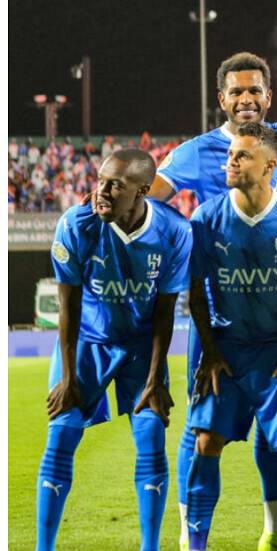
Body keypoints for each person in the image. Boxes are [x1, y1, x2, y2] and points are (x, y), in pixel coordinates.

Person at [148, 51, 277, 551]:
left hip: (274, 314)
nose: (246, 98)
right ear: (222, 99)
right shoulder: (195, 153)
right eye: (236, 91)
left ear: (268, 96)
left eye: (254, 90)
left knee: (276, 431)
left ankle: (276, 528)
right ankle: (190, 533)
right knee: (200, 430)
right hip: (218, 315)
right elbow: (151, 200)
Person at [36, 149, 191, 551]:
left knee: (151, 437)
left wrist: (155, 379)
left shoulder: (174, 230)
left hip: (140, 348)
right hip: (87, 343)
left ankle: (149, 547)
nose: (101, 191)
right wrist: (68, 377)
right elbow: (67, 307)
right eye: (101, 181)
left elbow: (165, 312)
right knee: (61, 435)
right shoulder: (77, 224)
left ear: (142, 191)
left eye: (115, 185)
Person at [183, 123, 277, 551]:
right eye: (230, 154)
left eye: (242, 156)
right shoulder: (205, 219)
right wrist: (209, 352)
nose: (231, 162)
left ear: (270, 166)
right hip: (226, 351)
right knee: (205, 442)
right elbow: (194, 290)